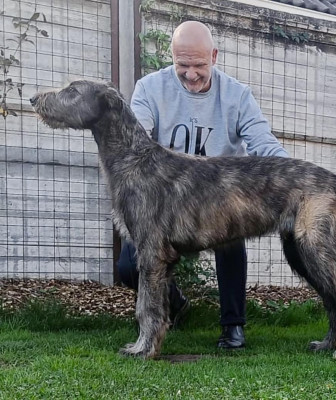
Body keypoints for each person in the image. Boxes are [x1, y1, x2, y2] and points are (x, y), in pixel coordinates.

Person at [118, 20, 288, 349]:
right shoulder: (150, 88)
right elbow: (137, 137)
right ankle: (176, 303)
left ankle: (233, 326)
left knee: (231, 238)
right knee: (129, 266)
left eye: (199, 65)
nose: (191, 74)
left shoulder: (237, 95)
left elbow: (263, 144)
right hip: (166, 201)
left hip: (218, 197)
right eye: (183, 65)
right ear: (171, 58)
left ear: (214, 56)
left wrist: (294, 175)